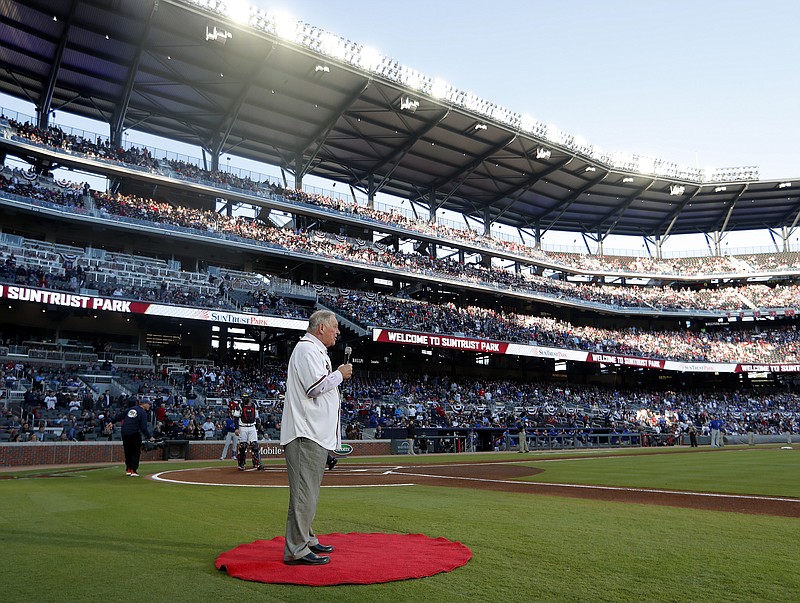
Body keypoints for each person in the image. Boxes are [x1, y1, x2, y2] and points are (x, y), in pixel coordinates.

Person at [280, 310, 353, 566]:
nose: (338, 331)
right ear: (321, 327)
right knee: (304, 494)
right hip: (305, 433)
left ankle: (307, 539)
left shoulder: (314, 350)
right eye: (334, 327)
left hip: (313, 433)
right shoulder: (307, 349)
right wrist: (339, 374)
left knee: (308, 493)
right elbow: (314, 388)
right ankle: (297, 550)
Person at [119, 397, 153, 477]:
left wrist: (111, 422)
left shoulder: (131, 409)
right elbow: (143, 427)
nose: (149, 406)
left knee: (127, 451)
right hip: (134, 433)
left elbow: (120, 416)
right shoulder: (142, 412)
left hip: (124, 432)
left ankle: (128, 469)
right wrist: (149, 436)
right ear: (144, 404)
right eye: (148, 404)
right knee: (135, 451)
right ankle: (133, 470)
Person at [236, 395, 263, 470]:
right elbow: (236, 417)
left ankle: (257, 463)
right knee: (243, 446)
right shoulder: (240, 406)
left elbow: (257, 417)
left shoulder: (254, 406)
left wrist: (258, 426)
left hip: (252, 426)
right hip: (243, 427)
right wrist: (236, 428)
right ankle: (241, 464)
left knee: (255, 445)